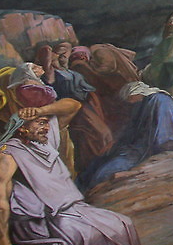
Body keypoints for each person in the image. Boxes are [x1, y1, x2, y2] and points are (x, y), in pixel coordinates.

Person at [0, 115, 146, 245]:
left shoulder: (39, 143)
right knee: (90, 236)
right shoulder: (6, 156)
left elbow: (71, 107)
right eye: (41, 123)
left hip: (70, 210)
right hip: (41, 221)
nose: (47, 128)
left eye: (46, 122)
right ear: (22, 128)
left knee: (121, 223)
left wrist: (41, 110)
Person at [77, 81, 173, 191]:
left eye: (129, 98)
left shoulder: (157, 100)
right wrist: (116, 145)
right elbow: (133, 130)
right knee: (99, 162)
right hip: (141, 146)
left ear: (136, 93)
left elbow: (164, 136)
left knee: (106, 171)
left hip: (153, 147)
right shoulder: (146, 102)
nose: (129, 102)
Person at [35, 43, 115, 172]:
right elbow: (46, 56)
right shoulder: (51, 74)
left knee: (103, 134)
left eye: (65, 53)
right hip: (71, 109)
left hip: (85, 106)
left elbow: (89, 88)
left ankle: (99, 166)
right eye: (58, 53)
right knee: (96, 135)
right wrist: (49, 55)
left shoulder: (71, 72)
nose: (61, 56)